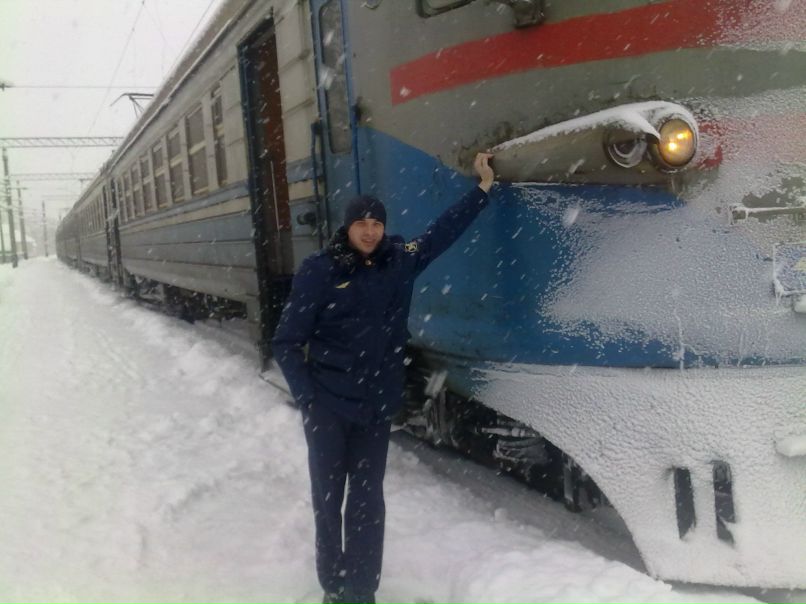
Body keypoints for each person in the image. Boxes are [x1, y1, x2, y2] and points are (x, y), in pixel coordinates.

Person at [272, 153, 495, 604]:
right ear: (348, 228)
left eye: (376, 223)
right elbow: (286, 342)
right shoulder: (320, 270)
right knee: (329, 499)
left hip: (375, 406)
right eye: (362, 224)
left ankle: (361, 589)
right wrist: (309, 400)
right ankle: (332, 585)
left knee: (368, 501)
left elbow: (441, 233)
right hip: (329, 408)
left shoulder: (400, 261)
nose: (370, 231)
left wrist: (483, 190)